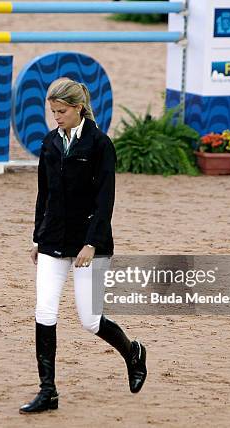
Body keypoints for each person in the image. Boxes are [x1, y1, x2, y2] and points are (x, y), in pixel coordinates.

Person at [19, 79, 148, 414]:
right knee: (44, 312)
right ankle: (48, 391)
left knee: (89, 320)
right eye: (53, 112)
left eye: (61, 111)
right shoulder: (50, 144)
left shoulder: (100, 145)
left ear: (78, 107)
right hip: (52, 240)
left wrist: (91, 243)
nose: (56, 118)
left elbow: (106, 200)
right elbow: (43, 195)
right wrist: (37, 237)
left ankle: (132, 352)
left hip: (90, 244)